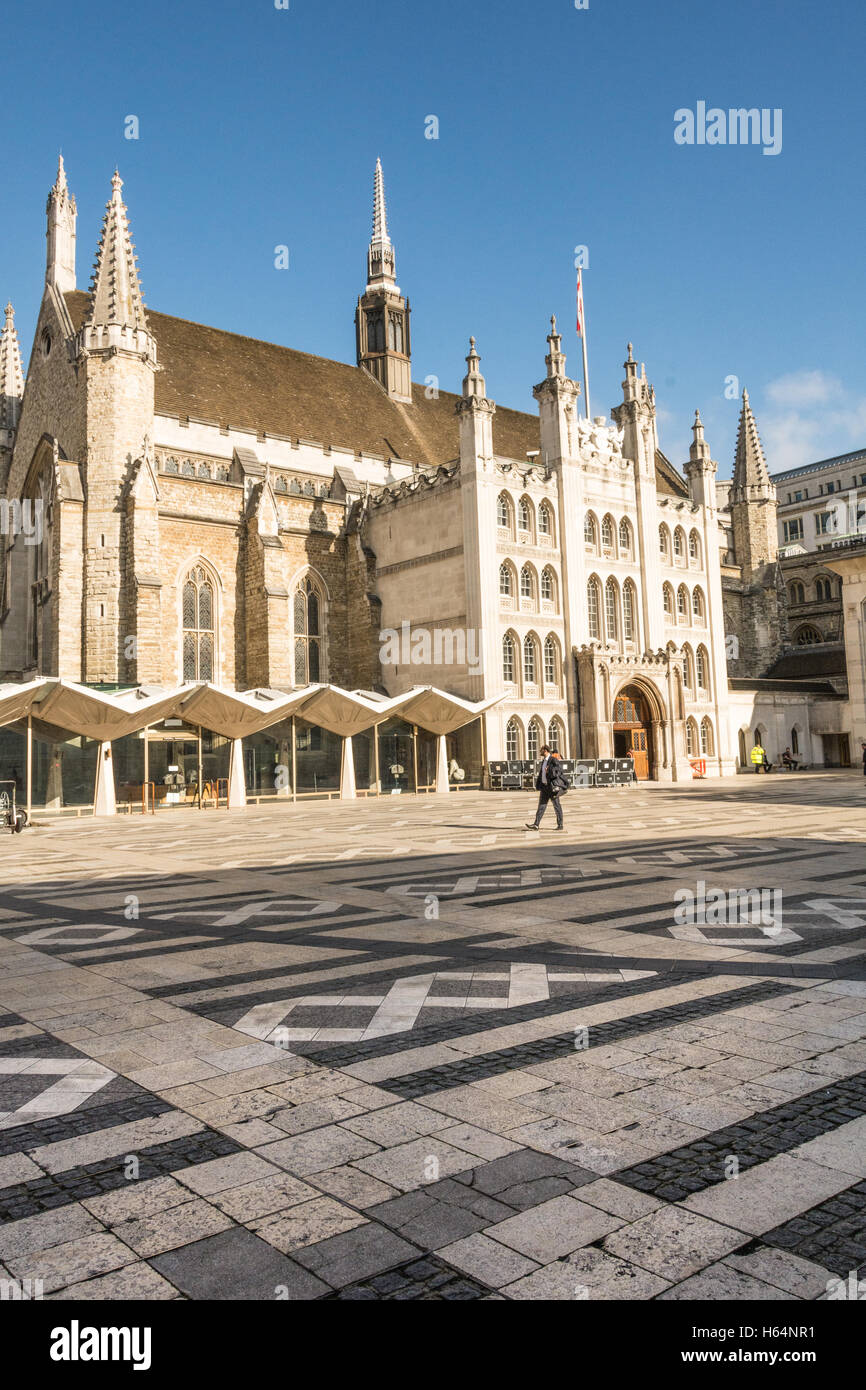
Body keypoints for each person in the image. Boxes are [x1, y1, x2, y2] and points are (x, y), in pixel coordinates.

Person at [525, 744, 566, 830]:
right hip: (544, 787)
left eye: (541, 750)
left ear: (545, 751)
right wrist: (538, 785)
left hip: (552, 787)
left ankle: (560, 825)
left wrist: (549, 770)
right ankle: (536, 824)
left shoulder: (553, 760)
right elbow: (542, 774)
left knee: (557, 806)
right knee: (541, 806)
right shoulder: (544, 761)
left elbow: (559, 771)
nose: (540, 751)